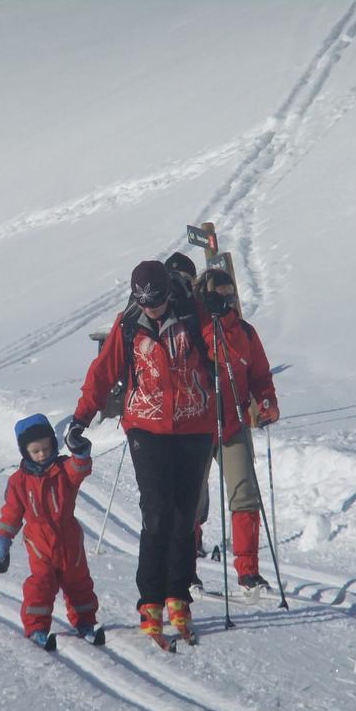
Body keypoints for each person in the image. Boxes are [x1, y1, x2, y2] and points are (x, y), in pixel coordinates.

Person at [70, 260, 215, 648]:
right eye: (145, 303)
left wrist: (224, 312)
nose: (153, 309)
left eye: (158, 301)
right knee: (157, 511)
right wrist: (81, 417)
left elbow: (228, 350)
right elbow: (104, 371)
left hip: (195, 425)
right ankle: (150, 599)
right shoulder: (129, 322)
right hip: (147, 428)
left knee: (185, 515)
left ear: (169, 292)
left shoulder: (193, 313)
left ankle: (178, 595)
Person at [193, 268, 279, 591]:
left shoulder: (244, 332)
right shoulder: (195, 328)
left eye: (230, 293)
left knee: (245, 494)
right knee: (192, 499)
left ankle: (248, 571)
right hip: (198, 426)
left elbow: (260, 375)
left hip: (233, 425)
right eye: (219, 293)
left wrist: (267, 401)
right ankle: (188, 565)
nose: (226, 299)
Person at [0, 414, 103, 649]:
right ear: (25, 452)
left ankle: (86, 623)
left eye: (46, 448)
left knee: (79, 582)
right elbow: (11, 512)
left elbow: (80, 468)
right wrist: (2, 538)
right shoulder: (18, 481)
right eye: (35, 450)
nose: (42, 454)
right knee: (41, 585)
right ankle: (37, 627)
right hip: (39, 542)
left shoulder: (63, 469)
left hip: (69, 537)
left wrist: (81, 451)